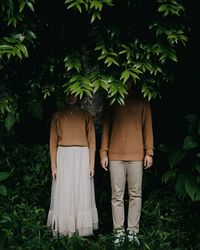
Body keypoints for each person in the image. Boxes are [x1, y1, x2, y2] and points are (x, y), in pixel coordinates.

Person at [100, 84, 154, 246]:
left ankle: (132, 231)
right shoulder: (113, 99)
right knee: (117, 196)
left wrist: (149, 152)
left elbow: (148, 128)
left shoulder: (143, 101)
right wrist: (103, 153)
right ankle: (118, 233)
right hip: (115, 156)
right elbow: (106, 128)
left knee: (135, 195)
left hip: (137, 156)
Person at [47, 93, 98, 237]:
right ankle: (65, 230)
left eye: (74, 93)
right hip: (64, 157)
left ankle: (80, 229)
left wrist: (91, 165)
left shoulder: (85, 115)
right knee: (65, 191)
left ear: (79, 95)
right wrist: (54, 166)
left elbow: (92, 142)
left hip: (82, 156)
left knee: (80, 191)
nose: (70, 96)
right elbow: (52, 144)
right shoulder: (57, 116)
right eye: (67, 93)